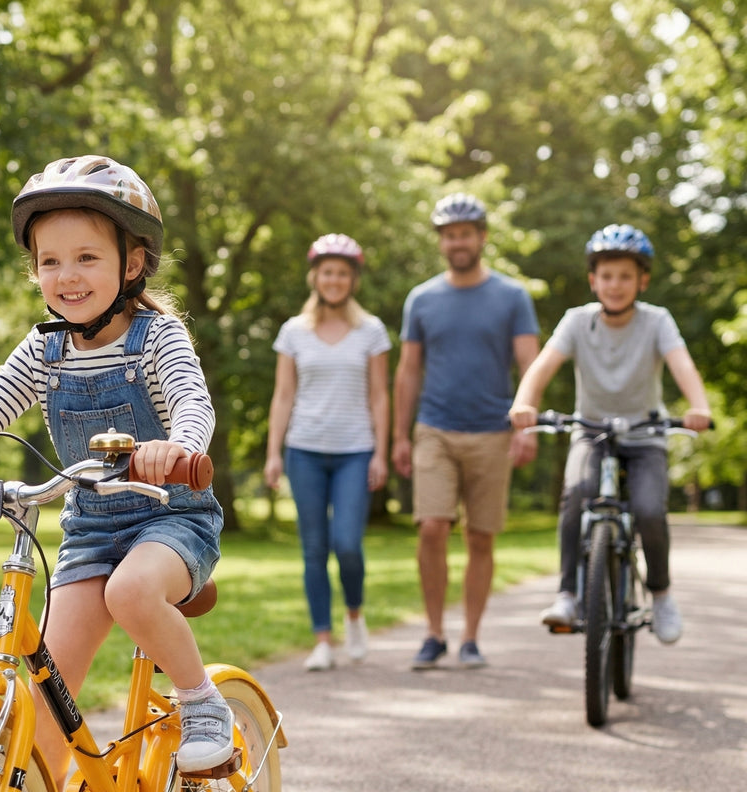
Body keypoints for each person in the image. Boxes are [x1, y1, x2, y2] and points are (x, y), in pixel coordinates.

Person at [0, 155, 232, 778]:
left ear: (131, 264)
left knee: (132, 591)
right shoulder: (44, 350)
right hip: (90, 528)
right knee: (45, 699)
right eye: (50, 261)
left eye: (87, 257)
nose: (67, 275)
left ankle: (201, 704)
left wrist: (180, 447)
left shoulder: (158, 338)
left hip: (172, 519)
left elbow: (191, 399)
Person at [509, 224, 711, 644]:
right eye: (607, 276)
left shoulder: (657, 321)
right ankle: (568, 594)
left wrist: (699, 407)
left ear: (642, 280)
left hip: (645, 434)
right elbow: (542, 367)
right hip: (592, 431)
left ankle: (662, 594)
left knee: (650, 510)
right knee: (577, 492)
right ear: (592, 280)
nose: (615, 285)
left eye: (625, 276)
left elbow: (683, 366)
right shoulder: (576, 321)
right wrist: (524, 403)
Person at [392, 193, 540, 670]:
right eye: (450, 234)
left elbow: (530, 365)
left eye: (466, 233)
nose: (458, 241)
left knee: (481, 537)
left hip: (494, 432)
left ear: (482, 237)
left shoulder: (512, 296)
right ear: (442, 241)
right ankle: (435, 633)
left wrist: (528, 424)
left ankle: (471, 637)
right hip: (435, 428)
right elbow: (409, 370)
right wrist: (399, 434)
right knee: (432, 527)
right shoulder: (423, 298)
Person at [264, 234, 390, 671]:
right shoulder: (293, 332)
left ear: (352, 279)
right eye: (327, 272)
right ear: (315, 276)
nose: (334, 279)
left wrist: (380, 452)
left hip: (356, 450)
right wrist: (273, 453)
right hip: (304, 450)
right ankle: (323, 639)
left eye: (342, 273)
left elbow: (379, 396)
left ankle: (354, 614)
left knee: (348, 544)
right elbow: (283, 395)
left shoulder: (370, 330)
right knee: (314, 548)